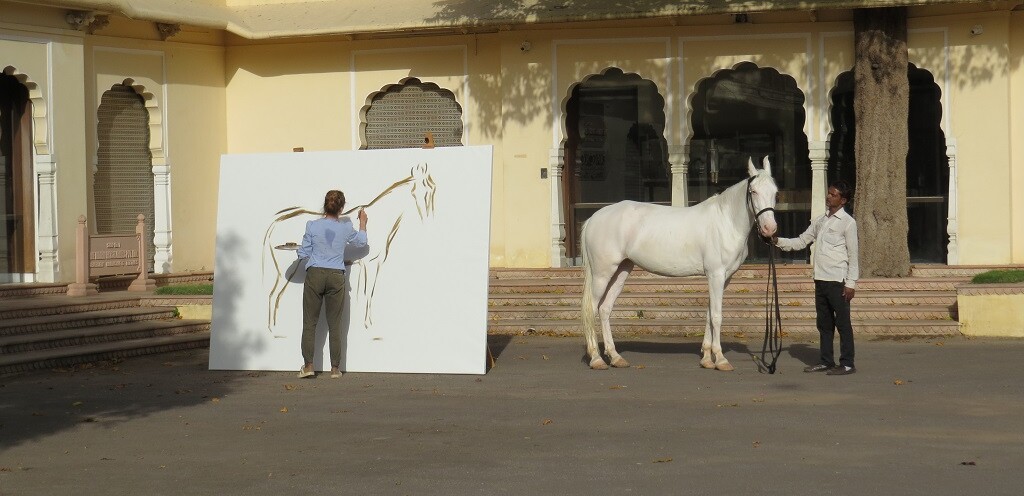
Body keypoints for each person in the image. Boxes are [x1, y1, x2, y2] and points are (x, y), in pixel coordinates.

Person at [773, 181, 859, 375]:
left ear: (843, 200)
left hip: (838, 281)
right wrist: (777, 241)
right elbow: (801, 241)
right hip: (820, 279)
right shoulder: (820, 220)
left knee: (843, 324)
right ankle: (826, 360)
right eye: (828, 193)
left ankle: (847, 363)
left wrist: (851, 283)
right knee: (824, 324)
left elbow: (853, 255)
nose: (829, 197)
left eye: (833, 195)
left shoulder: (848, 223)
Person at [296, 190, 368, 379]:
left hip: (315, 275)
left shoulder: (312, 225)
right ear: (341, 208)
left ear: (325, 205)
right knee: (335, 324)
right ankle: (335, 369)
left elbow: (303, 253)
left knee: (309, 322)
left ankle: (309, 366)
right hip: (336, 275)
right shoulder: (345, 228)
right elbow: (362, 242)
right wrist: (362, 223)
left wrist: (306, 250)